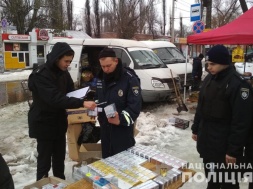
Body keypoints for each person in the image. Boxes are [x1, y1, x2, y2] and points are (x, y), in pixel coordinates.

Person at [28, 42, 97, 181]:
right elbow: (55, 98)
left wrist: (86, 96)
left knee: (59, 160)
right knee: (44, 162)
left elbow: (71, 92)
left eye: (70, 61)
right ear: (57, 58)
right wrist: (81, 103)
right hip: (44, 123)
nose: (68, 64)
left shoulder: (63, 73)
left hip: (59, 122)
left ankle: (60, 182)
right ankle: (43, 184)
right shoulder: (40, 75)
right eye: (66, 61)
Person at [191, 45, 253, 189]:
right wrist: (195, 128)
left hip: (225, 146)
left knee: (228, 183)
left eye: (213, 64)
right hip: (208, 142)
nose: (209, 67)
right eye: (207, 64)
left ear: (224, 62)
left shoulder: (238, 84)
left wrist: (233, 150)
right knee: (212, 179)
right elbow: (201, 106)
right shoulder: (209, 79)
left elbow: (241, 121)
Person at [95, 47, 142, 158]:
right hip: (105, 130)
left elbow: (135, 107)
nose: (105, 69)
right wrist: (95, 108)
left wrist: (120, 119)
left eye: (108, 66)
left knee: (124, 166)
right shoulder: (101, 78)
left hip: (122, 132)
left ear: (116, 61)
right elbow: (98, 98)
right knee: (107, 164)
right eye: (103, 66)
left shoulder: (129, 79)